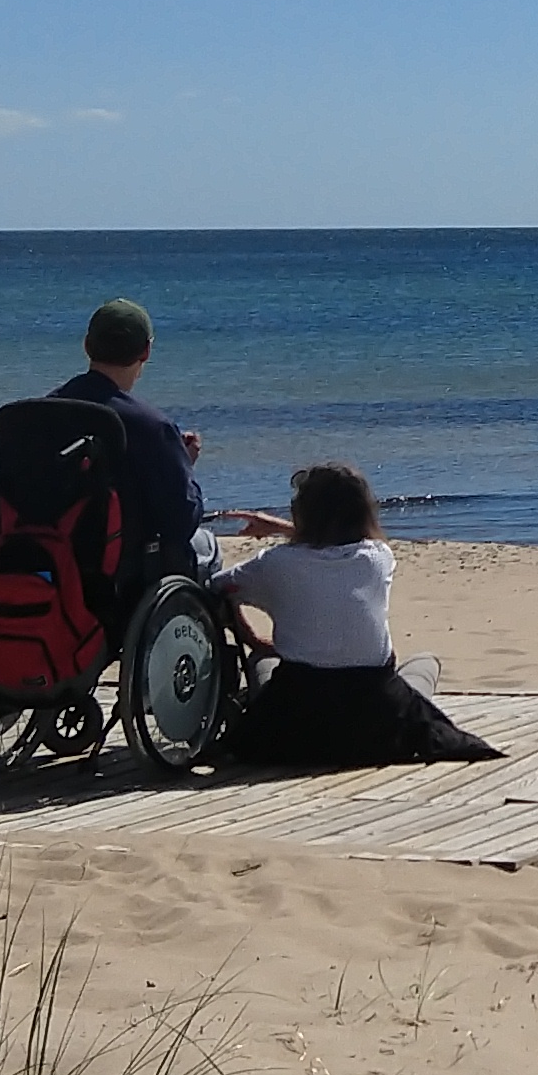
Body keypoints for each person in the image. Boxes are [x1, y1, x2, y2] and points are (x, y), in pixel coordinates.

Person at [210, 462, 499, 769]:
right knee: (425, 663)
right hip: (377, 725)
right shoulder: (377, 558)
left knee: (263, 661)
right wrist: (285, 529)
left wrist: (250, 637)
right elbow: (338, 546)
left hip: (297, 724)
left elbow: (219, 589)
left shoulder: (275, 563)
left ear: (303, 511)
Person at [48, 299, 217, 586]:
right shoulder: (150, 426)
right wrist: (184, 467)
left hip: (50, 558)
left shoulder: (41, 413)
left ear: (87, 345)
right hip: (123, 571)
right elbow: (181, 521)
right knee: (208, 549)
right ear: (147, 351)